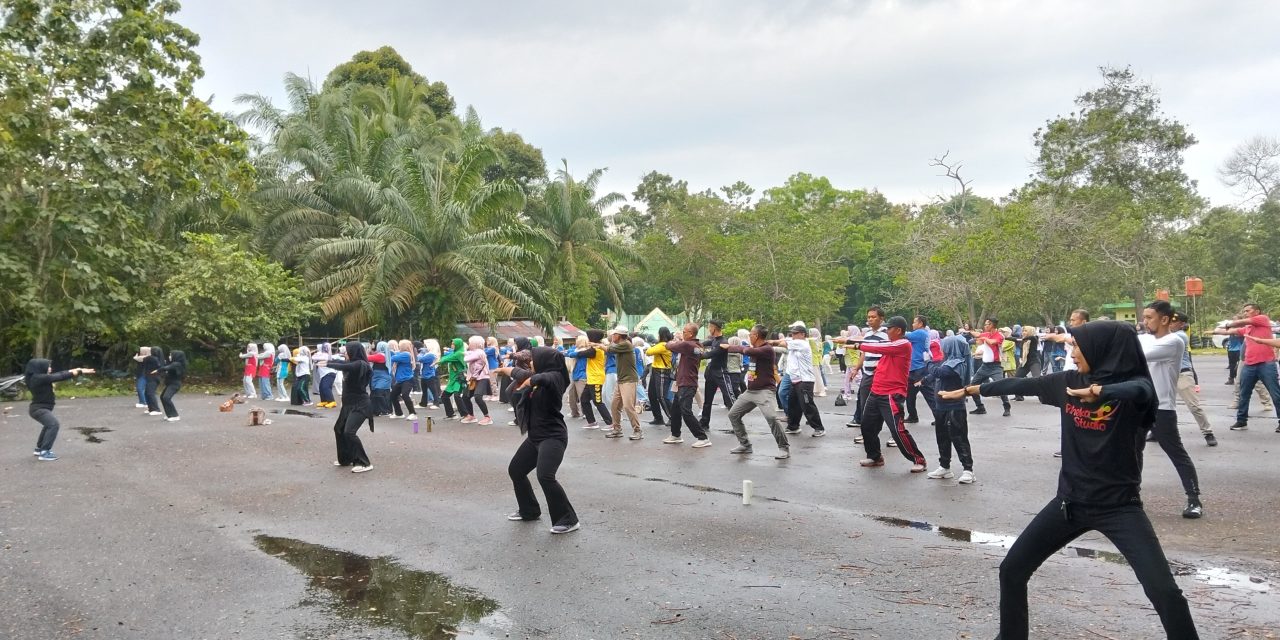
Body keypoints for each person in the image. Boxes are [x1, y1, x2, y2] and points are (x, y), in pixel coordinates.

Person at [939, 320, 1199, 640]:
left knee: (1164, 591)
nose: (1072, 352)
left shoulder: (1136, 390)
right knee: (1012, 570)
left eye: (1078, 346)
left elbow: (1140, 390)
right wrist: (967, 390)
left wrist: (1101, 391)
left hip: (1119, 508)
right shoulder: (1067, 382)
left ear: (1103, 350)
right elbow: (1019, 386)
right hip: (1069, 503)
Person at [1138, 302, 1204, 518]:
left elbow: (1138, 354)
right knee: (1132, 451)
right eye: (1144, 317)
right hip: (1139, 405)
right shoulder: (1146, 338)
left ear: (1164, 319)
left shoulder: (1174, 341)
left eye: (1149, 318)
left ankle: (1194, 500)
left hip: (1162, 408)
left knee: (1176, 453)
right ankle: (1131, 495)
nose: (1144, 322)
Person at [839, 316, 928, 472]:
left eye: (889, 328)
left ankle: (918, 459)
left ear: (898, 330)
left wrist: (849, 343)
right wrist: (851, 343)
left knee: (897, 429)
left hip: (891, 394)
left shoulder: (903, 344)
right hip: (876, 391)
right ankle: (875, 456)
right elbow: (875, 345)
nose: (886, 331)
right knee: (867, 426)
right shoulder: (892, 343)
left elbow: (876, 347)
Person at [506, 347, 580, 534]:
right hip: (535, 437)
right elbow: (520, 373)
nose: (531, 362)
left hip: (553, 437)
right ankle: (529, 510)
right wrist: (502, 370)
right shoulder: (538, 375)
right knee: (516, 470)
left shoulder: (556, 378)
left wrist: (530, 380)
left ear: (545, 361)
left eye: (534, 359)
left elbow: (541, 378)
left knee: (545, 476)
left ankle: (568, 519)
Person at [722, 324, 790, 459]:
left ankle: (784, 448)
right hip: (750, 392)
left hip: (765, 391)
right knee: (733, 414)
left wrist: (730, 347)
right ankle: (745, 445)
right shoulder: (756, 348)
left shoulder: (766, 349)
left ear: (756, 336)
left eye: (750, 334)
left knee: (771, 418)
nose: (749, 337)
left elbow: (746, 351)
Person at [1213, 302, 1280, 432]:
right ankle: (1241, 421)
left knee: (1276, 394)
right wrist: (1217, 331)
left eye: (1248, 310)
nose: (1245, 313)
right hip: (1249, 364)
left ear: (1257, 311)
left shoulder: (1263, 319)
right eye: (1244, 311)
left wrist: (1228, 324)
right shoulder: (1248, 328)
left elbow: (1238, 323)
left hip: (1266, 363)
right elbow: (1234, 331)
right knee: (1244, 394)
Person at [925, 336, 975, 484]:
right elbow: (934, 375)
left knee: (959, 437)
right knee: (942, 437)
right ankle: (944, 467)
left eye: (944, 346)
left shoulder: (958, 363)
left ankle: (968, 470)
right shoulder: (946, 361)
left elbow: (941, 373)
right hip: (941, 406)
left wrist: (928, 361)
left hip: (955, 407)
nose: (942, 348)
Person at [25, 359, 95, 461]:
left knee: (48, 425)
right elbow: (60, 376)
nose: (50, 368)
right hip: (39, 409)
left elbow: (60, 373)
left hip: (40, 408)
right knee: (53, 424)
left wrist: (78, 369)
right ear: (40, 367)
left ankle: (39, 448)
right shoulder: (38, 378)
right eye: (48, 366)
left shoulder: (37, 377)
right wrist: (79, 371)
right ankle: (44, 452)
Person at [1169, 311, 1215, 447]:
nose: (1170, 323)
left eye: (1173, 321)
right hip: (1168, 375)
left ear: (1181, 324)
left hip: (1182, 374)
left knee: (1194, 406)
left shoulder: (1179, 336)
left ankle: (1208, 432)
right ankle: (1156, 431)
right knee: (1160, 405)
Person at [770, 322, 825, 437]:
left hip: (805, 381)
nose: (793, 336)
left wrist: (770, 342)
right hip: (795, 380)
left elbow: (782, 343)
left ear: (803, 334)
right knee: (793, 404)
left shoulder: (802, 344)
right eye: (792, 334)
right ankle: (793, 426)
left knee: (807, 405)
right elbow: (782, 345)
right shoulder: (794, 344)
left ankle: (819, 428)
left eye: (795, 333)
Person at [663, 322, 713, 447]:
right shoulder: (697, 344)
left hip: (687, 382)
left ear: (691, 334)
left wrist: (672, 341)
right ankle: (675, 435)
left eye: (684, 332)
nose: (682, 333)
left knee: (686, 411)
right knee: (676, 410)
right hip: (683, 381)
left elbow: (668, 346)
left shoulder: (687, 344)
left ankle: (702, 437)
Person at [329, 342, 374, 473]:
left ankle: (364, 463)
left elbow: (346, 366)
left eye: (347, 351)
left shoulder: (361, 365)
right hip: (348, 405)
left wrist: (327, 364)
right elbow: (342, 363)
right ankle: (345, 458)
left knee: (349, 432)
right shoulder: (350, 364)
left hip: (361, 405)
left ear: (353, 352)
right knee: (339, 429)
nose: (345, 353)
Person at [849, 307, 889, 433]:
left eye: (873, 317)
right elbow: (864, 353)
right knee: (864, 403)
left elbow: (888, 354)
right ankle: (867, 433)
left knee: (883, 405)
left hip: (881, 375)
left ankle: (892, 433)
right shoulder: (867, 334)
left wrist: (881, 367)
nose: (870, 319)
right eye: (869, 317)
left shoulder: (887, 334)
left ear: (881, 318)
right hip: (867, 374)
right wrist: (856, 368)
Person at [604, 326, 643, 439]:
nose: (612, 336)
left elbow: (609, 349)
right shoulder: (621, 345)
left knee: (628, 406)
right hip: (621, 380)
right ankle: (617, 429)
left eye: (614, 334)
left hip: (629, 380)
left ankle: (638, 430)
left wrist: (602, 344)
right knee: (615, 405)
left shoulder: (626, 344)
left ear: (619, 335)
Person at [566, 330, 611, 429]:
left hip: (596, 379)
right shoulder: (595, 347)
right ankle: (592, 422)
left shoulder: (596, 349)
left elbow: (581, 354)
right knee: (584, 400)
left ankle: (610, 423)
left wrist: (569, 353)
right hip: (591, 378)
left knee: (598, 401)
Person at [698, 319, 737, 430]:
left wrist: (699, 354)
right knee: (708, 400)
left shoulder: (723, 342)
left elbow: (710, 354)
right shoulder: (715, 340)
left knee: (730, 399)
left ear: (714, 328)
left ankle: (737, 425)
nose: (709, 329)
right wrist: (695, 343)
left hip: (721, 374)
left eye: (710, 327)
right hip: (711, 373)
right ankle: (704, 423)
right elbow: (704, 343)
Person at [969, 317, 1012, 417]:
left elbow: (992, 342)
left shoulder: (999, 336)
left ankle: (1006, 406)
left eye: (986, 324)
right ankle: (980, 407)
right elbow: (978, 334)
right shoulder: (986, 334)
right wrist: (968, 331)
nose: (985, 326)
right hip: (985, 366)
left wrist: (983, 338)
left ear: (991, 325)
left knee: (1001, 386)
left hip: (996, 366)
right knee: (972, 386)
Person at [904, 316, 933, 423]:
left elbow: (904, 335)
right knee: (909, 394)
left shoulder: (920, 333)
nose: (912, 324)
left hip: (919, 368)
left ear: (920, 323)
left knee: (928, 393)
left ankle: (941, 417)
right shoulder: (923, 333)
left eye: (914, 322)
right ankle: (913, 416)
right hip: (914, 368)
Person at [645, 327, 675, 426]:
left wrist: (651, 348)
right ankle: (658, 418)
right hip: (656, 370)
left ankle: (673, 417)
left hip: (662, 371)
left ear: (661, 334)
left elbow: (648, 352)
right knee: (652, 395)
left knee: (662, 396)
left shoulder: (663, 345)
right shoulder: (662, 344)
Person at [155, 350, 187, 422]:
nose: (169, 356)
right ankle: (169, 414)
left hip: (175, 384)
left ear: (176, 356)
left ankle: (175, 415)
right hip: (170, 384)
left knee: (166, 397)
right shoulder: (173, 364)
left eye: (171, 355)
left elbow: (167, 367)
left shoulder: (177, 364)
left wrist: (158, 370)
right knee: (162, 397)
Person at [391, 339, 419, 420]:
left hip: (407, 379)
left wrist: (393, 351)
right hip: (400, 380)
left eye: (400, 345)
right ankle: (399, 413)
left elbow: (393, 358)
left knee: (405, 395)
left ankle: (413, 413)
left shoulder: (406, 354)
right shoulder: (402, 354)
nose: (399, 347)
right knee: (393, 396)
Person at [368, 342, 393, 416]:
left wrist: (368, 350)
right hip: (378, 376)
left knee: (380, 392)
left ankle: (385, 410)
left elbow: (367, 358)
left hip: (382, 377)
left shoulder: (381, 355)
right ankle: (376, 411)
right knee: (375, 393)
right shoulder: (385, 354)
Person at [419, 340, 441, 409]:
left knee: (433, 390)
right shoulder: (428, 354)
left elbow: (420, 359)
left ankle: (436, 403)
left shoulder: (431, 355)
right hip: (424, 375)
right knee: (424, 391)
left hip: (429, 375)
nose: (424, 347)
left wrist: (421, 353)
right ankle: (423, 403)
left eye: (425, 346)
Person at [313, 343, 336, 408]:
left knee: (326, 387)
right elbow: (314, 359)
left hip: (329, 373)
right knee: (321, 387)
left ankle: (332, 401)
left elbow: (314, 357)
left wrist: (317, 354)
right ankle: (324, 401)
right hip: (324, 374)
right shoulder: (321, 355)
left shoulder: (326, 355)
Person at [143, 346, 164, 416]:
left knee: (150, 393)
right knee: (147, 393)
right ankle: (151, 408)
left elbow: (144, 359)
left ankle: (156, 409)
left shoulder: (152, 358)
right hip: (152, 378)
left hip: (153, 378)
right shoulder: (159, 359)